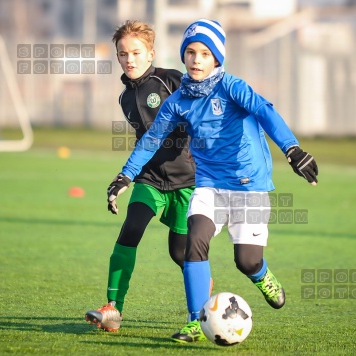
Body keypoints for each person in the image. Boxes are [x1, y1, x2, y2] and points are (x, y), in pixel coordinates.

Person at [106, 18, 319, 342]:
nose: (196, 59)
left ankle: (261, 275)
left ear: (216, 58)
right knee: (195, 241)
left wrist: (292, 149)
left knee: (246, 260)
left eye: (204, 53)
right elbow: (150, 141)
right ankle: (195, 320)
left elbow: (265, 111)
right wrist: (125, 175)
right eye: (190, 52)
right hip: (207, 186)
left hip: (248, 186)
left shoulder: (232, 87)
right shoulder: (178, 102)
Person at [85, 20, 196, 332]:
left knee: (180, 252)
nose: (129, 59)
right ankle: (112, 310)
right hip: (150, 179)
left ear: (151, 54)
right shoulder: (124, 98)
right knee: (130, 231)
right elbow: (145, 141)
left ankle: (200, 308)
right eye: (123, 54)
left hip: (188, 182)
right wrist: (126, 177)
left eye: (136, 52)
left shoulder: (172, 81)